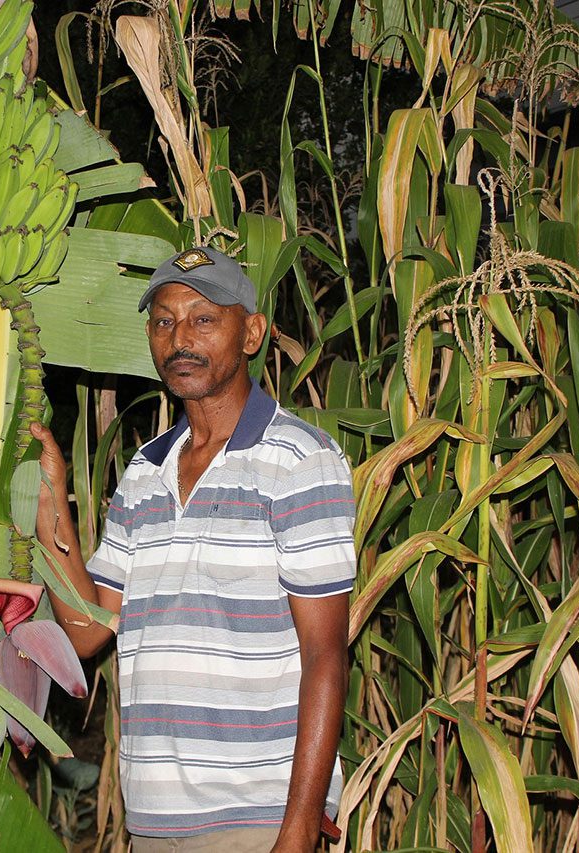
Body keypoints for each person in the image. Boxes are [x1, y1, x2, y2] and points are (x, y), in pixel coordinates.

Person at [29, 246, 356, 853]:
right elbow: (85, 631)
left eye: (203, 319)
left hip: (257, 817)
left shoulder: (299, 461)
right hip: (155, 820)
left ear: (251, 333)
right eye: (164, 321)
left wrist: (299, 826)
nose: (180, 338)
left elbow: (325, 653)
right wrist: (49, 491)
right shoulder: (144, 471)